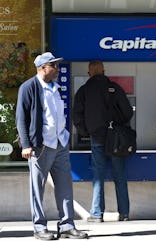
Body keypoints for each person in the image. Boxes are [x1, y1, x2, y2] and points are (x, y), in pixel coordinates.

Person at [15, 52, 88, 240]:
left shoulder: (55, 87)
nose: (57, 69)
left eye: (57, 65)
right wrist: (26, 144)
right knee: (37, 188)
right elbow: (21, 118)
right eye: (53, 65)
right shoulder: (29, 87)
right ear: (42, 68)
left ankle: (67, 226)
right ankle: (39, 228)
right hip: (41, 146)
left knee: (65, 185)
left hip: (60, 143)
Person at [73, 60, 133, 222]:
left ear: (89, 73)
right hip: (116, 140)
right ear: (104, 71)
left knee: (98, 176)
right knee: (119, 175)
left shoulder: (84, 90)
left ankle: (97, 213)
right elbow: (128, 112)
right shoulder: (115, 88)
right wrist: (118, 124)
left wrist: (86, 132)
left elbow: (76, 116)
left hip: (96, 138)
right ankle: (124, 213)